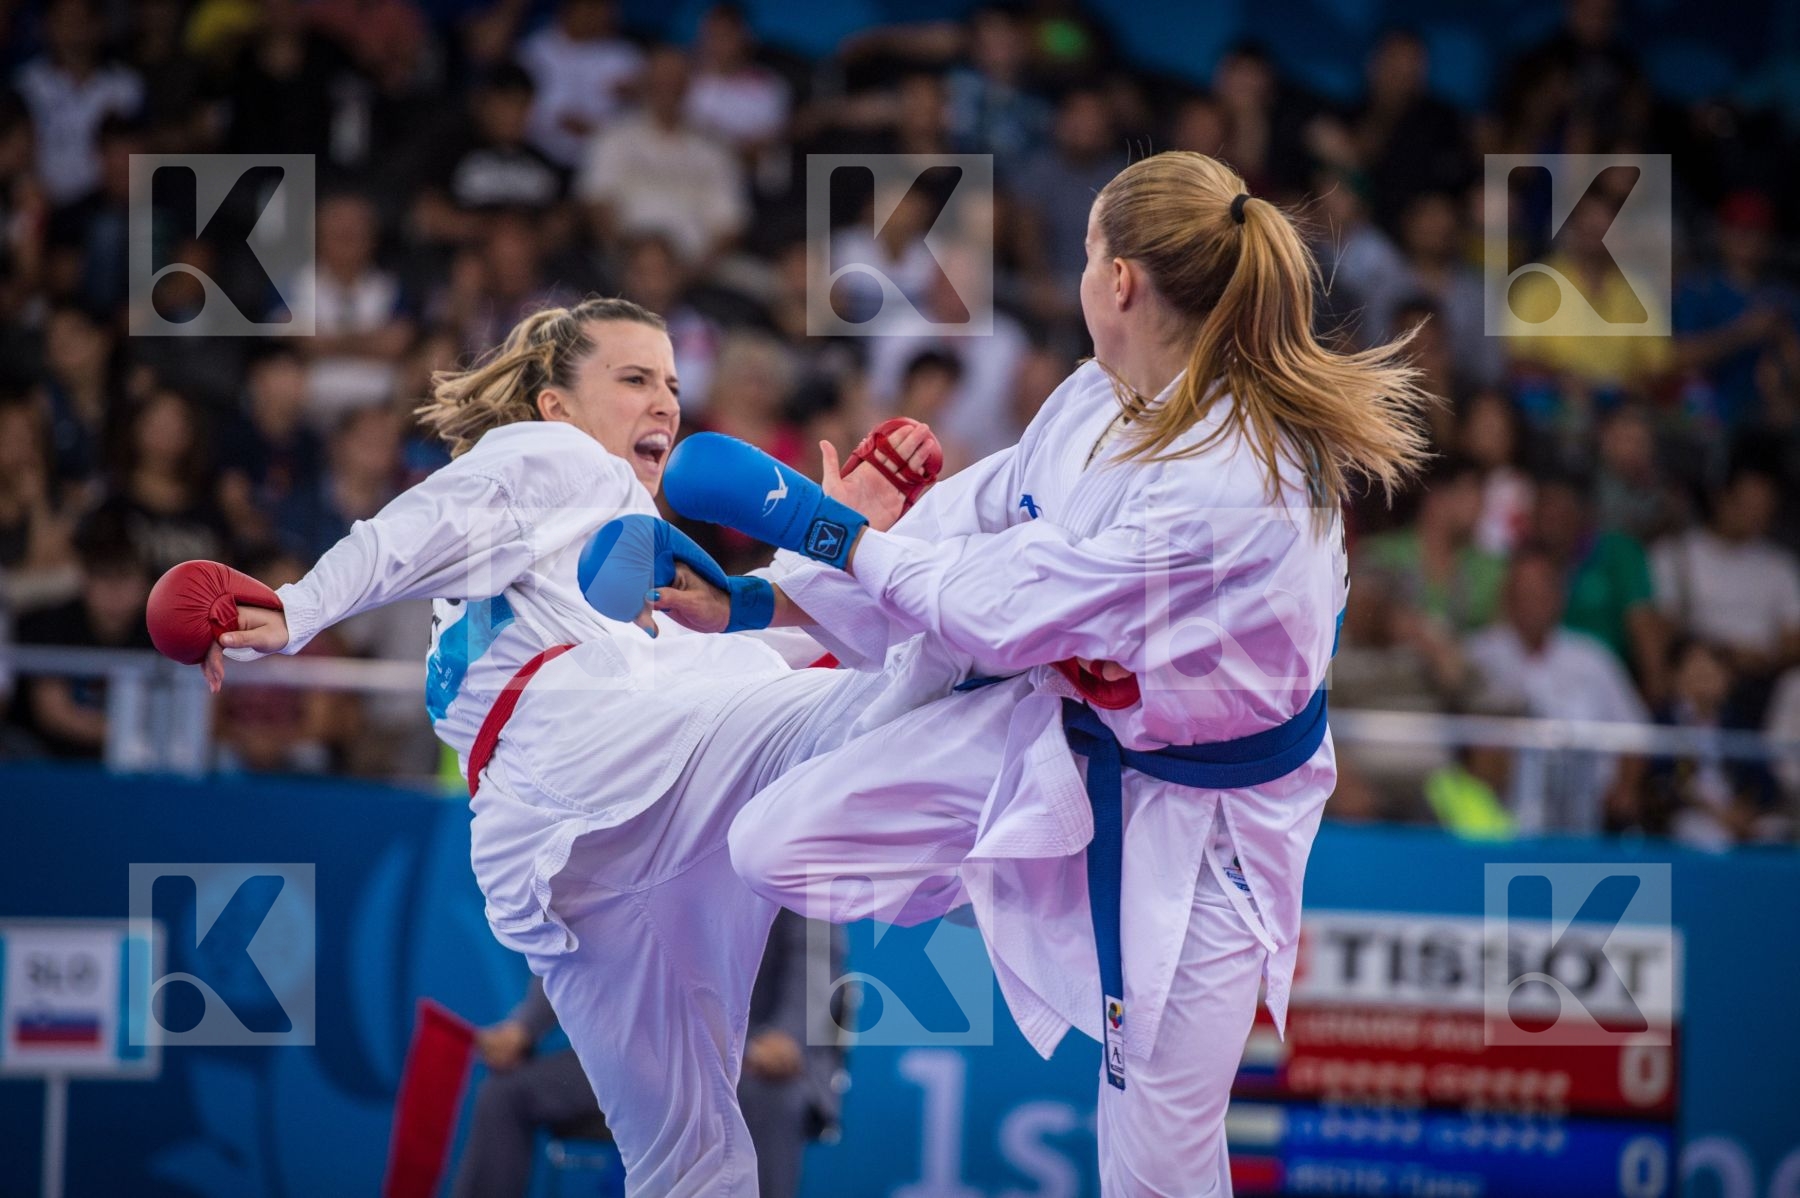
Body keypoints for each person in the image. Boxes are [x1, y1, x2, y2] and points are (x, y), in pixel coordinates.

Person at [652, 151, 1433, 1194]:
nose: (1076, 277)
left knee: (1154, 1165)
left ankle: (1037, 879)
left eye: (1083, 254)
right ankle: (1026, 875)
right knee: (777, 842)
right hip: (1062, 735)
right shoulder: (1094, 399)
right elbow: (961, 528)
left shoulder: (1240, 480)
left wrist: (825, 528)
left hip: (1210, 829)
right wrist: (764, 594)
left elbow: (995, 610)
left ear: (1120, 282)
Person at [145, 296, 940, 1198]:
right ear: (556, 405)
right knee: (887, 707)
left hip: (560, 852)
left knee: (693, 1160)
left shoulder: (598, 570)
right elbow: (418, 526)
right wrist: (301, 607)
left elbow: (742, 660)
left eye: (674, 385)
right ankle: (1043, 701)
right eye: (634, 379)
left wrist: (828, 564)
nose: (665, 405)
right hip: (596, 754)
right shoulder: (557, 457)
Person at [452, 909, 840, 1198]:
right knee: (507, 1094)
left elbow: (817, 955)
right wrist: (524, 1027)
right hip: (644, 1057)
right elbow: (576, 937)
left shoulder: (783, 830)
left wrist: (791, 1038)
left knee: (771, 1098)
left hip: (751, 1062)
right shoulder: (639, 825)